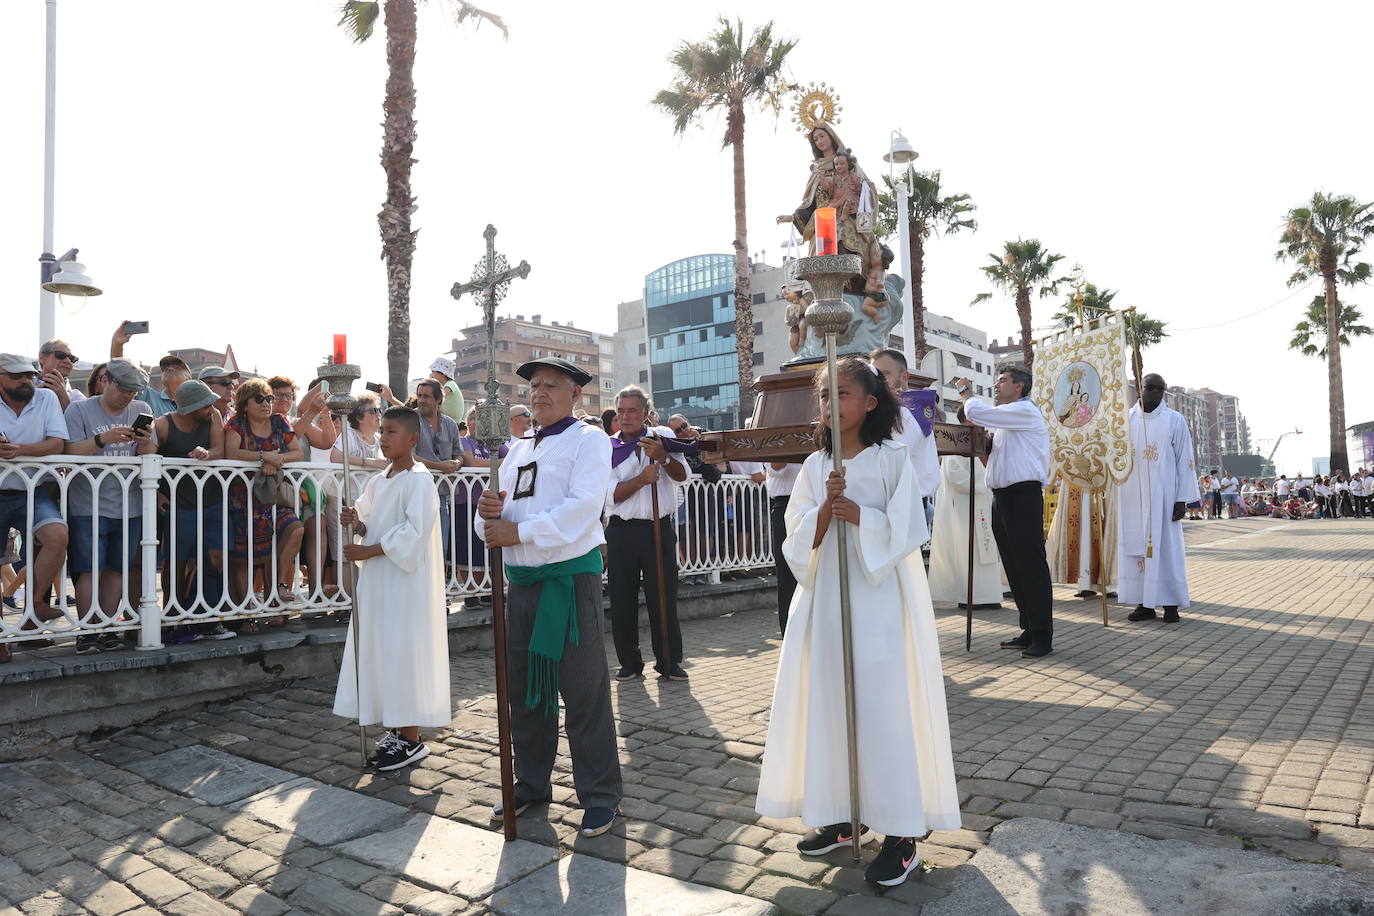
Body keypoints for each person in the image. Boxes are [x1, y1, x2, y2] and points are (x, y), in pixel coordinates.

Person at [756, 356, 960, 888]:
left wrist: (862, 517)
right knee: (829, 704)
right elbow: (794, 534)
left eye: (842, 394)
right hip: (826, 602)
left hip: (879, 603)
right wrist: (823, 513)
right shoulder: (814, 465)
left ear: (871, 403)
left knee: (881, 709)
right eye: (825, 396)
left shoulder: (893, 458)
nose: (831, 405)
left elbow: (911, 527)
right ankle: (845, 815)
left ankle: (900, 835)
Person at [476, 356, 622, 838]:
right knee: (526, 694)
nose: (539, 392)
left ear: (575, 394)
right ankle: (530, 784)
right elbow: (495, 521)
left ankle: (600, 795)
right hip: (523, 585)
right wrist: (487, 514)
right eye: (534, 385)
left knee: (582, 691)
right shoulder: (515, 449)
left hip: (568, 584)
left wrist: (517, 531)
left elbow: (582, 510)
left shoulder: (590, 440)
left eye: (551, 385)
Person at [333, 407, 450, 771]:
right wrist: (357, 522)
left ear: (412, 438)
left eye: (392, 432)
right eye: (381, 431)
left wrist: (368, 549)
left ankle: (411, 738)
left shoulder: (418, 479)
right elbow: (374, 524)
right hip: (379, 581)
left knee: (403, 652)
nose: (383, 438)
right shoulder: (378, 481)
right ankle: (399, 731)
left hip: (403, 583)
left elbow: (414, 533)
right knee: (383, 651)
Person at [952, 368, 1054, 658]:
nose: (996, 385)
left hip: (1023, 497)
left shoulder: (1024, 411)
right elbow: (993, 460)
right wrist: (980, 447)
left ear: (1019, 386)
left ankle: (1043, 636)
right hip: (1003, 497)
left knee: (1031, 567)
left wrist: (964, 391)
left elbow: (975, 410)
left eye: (1003, 380)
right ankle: (1029, 628)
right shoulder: (1007, 420)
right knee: (1014, 566)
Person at [63, 358, 158, 654]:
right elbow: (68, 451)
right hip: (86, 503)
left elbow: (152, 451)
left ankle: (105, 627)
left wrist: (144, 443)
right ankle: (88, 631)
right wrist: (102, 439)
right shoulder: (79, 409)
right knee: (89, 569)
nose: (129, 396)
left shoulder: (142, 410)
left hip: (129, 504)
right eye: (124, 390)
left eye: (134, 392)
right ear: (108, 381)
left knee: (118, 569)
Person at [606, 385, 690, 681]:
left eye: (632, 410)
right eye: (621, 411)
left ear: (645, 413)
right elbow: (610, 495)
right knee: (622, 599)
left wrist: (664, 458)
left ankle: (669, 661)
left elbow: (683, 477)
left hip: (657, 527)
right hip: (621, 531)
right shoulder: (607, 447)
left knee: (663, 596)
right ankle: (629, 662)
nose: (626, 417)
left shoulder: (662, 437)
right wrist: (642, 479)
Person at [0, 354, 71, 663]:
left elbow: (58, 443)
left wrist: (18, 450)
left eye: (29, 375)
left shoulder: (45, 397)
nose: (26, 380)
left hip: (34, 488)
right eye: (17, 376)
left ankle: (33, 608)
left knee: (57, 536)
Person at [154, 379, 233, 640]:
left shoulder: (215, 416)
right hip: (179, 502)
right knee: (175, 562)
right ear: (189, 407)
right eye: (205, 404)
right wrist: (155, 494)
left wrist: (206, 454)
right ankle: (172, 618)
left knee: (216, 559)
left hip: (212, 499)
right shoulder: (164, 424)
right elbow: (146, 457)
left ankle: (207, 618)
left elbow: (219, 448)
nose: (212, 407)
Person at [1118, 374, 1200, 623]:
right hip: (1132, 495)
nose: (1155, 392)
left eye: (1159, 389)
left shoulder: (1174, 420)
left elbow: (1185, 461)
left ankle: (1171, 603)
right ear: (1139, 389)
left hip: (1163, 497)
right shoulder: (1125, 420)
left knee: (1166, 549)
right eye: (1150, 387)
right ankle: (1144, 604)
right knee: (1136, 549)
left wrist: (1181, 499)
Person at [223, 378, 305, 621]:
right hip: (242, 498)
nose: (267, 403)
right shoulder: (237, 423)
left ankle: (276, 595)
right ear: (244, 403)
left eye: (269, 398)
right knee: (243, 556)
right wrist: (263, 457)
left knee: (294, 529)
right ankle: (247, 612)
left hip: (273, 498)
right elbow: (232, 452)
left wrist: (275, 460)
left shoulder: (280, 422)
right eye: (259, 398)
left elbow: (298, 452)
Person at [929, 406, 1002, 607]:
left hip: (983, 504)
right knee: (967, 550)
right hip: (964, 507)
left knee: (987, 547)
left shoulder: (981, 440)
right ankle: (970, 596)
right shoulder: (956, 440)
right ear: (967, 419)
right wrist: (987, 479)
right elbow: (956, 477)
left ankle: (990, 595)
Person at [870, 349, 940, 516]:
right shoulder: (908, 408)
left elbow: (888, 463)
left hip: (902, 507)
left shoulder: (902, 412)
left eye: (885, 374)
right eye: (874, 375)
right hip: (905, 503)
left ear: (904, 377)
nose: (878, 381)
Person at [412, 380, 463, 571]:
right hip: (417, 491)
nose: (421, 400)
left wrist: (457, 463)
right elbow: (411, 456)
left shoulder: (450, 424)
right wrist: (439, 466)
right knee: (419, 545)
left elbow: (459, 452)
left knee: (441, 543)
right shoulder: (411, 420)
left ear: (438, 399)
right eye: (419, 395)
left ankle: (437, 594)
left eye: (426, 396)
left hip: (443, 494)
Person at [1045, 479, 1117, 599]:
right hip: (1075, 478)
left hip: (1100, 477)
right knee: (1081, 526)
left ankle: (1107, 584)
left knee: (1101, 525)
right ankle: (1085, 583)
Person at [37, 339, 85, 411]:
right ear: (42, 358)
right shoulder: (25, 387)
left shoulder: (78, 398)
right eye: (61, 355)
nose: (68, 361)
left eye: (72, 359)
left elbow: (82, 422)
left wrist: (64, 399)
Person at [428, 358, 466, 428]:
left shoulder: (450, 384)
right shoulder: (445, 385)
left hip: (453, 421)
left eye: (433, 372)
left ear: (443, 374)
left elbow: (442, 394)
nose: (431, 375)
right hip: (447, 419)